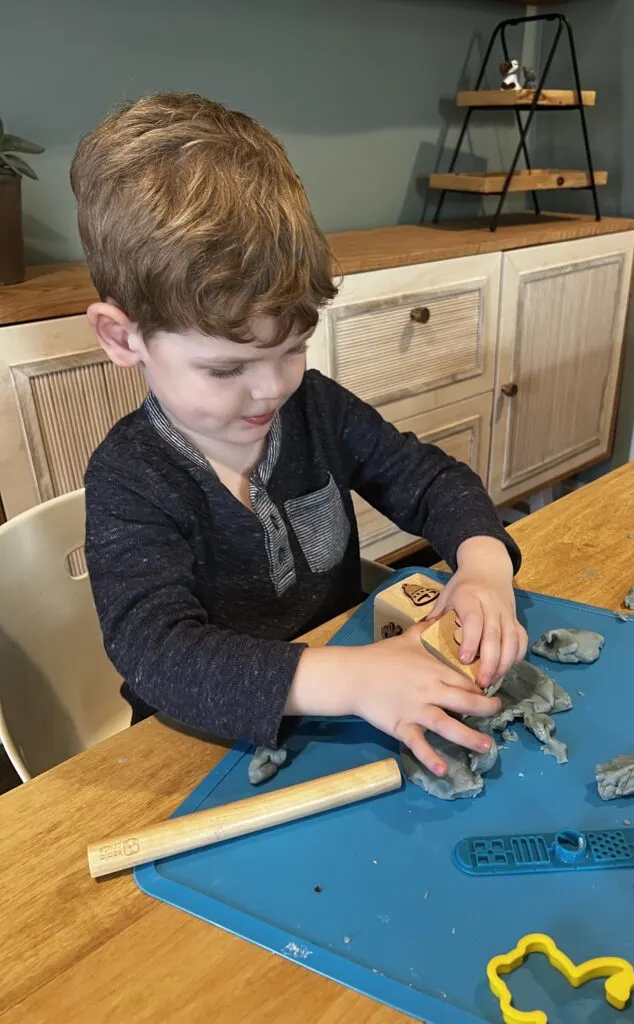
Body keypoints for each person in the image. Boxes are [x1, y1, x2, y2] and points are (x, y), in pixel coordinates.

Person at [72, 92, 527, 778]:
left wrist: (485, 566)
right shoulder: (130, 477)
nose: (272, 388)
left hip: (353, 704)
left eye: (293, 347)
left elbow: (429, 479)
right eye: (226, 368)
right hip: (201, 746)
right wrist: (352, 680)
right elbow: (157, 652)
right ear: (122, 337)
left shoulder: (315, 408)